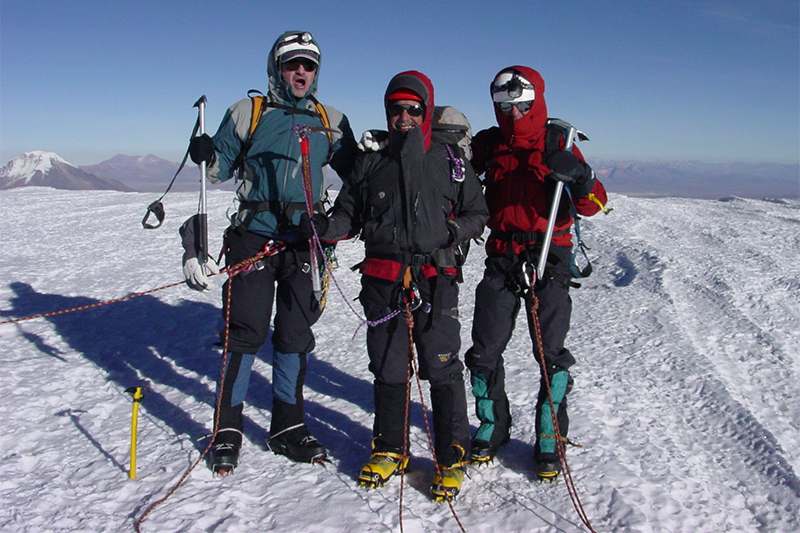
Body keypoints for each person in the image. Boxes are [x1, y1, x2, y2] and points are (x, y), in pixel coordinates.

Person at [184, 30, 358, 474]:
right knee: (245, 331)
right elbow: (219, 169)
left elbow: (358, 174)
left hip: (306, 239)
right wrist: (204, 154)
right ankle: (227, 427)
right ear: (275, 67)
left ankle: (287, 426)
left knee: (295, 334)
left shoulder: (330, 119)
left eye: (309, 64)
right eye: (291, 63)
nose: (301, 71)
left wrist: (337, 218)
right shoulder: (249, 111)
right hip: (254, 235)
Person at [321, 71, 488, 501]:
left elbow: (477, 212)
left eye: (413, 109)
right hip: (382, 279)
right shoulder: (371, 161)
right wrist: (327, 228)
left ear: (426, 111)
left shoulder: (450, 160)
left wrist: (450, 233)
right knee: (389, 366)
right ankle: (390, 449)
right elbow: (348, 213)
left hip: (436, 277)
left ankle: (452, 456)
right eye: (395, 108)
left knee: (442, 363)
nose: (403, 116)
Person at [464, 66, 609, 482]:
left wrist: (581, 178)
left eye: (522, 105)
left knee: (549, 350)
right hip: (502, 254)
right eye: (504, 106)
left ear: (536, 100)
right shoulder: (489, 145)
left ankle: (550, 435)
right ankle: (493, 425)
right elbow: (461, 182)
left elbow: (595, 205)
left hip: (550, 254)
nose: (513, 113)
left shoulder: (557, 142)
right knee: (485, 347)